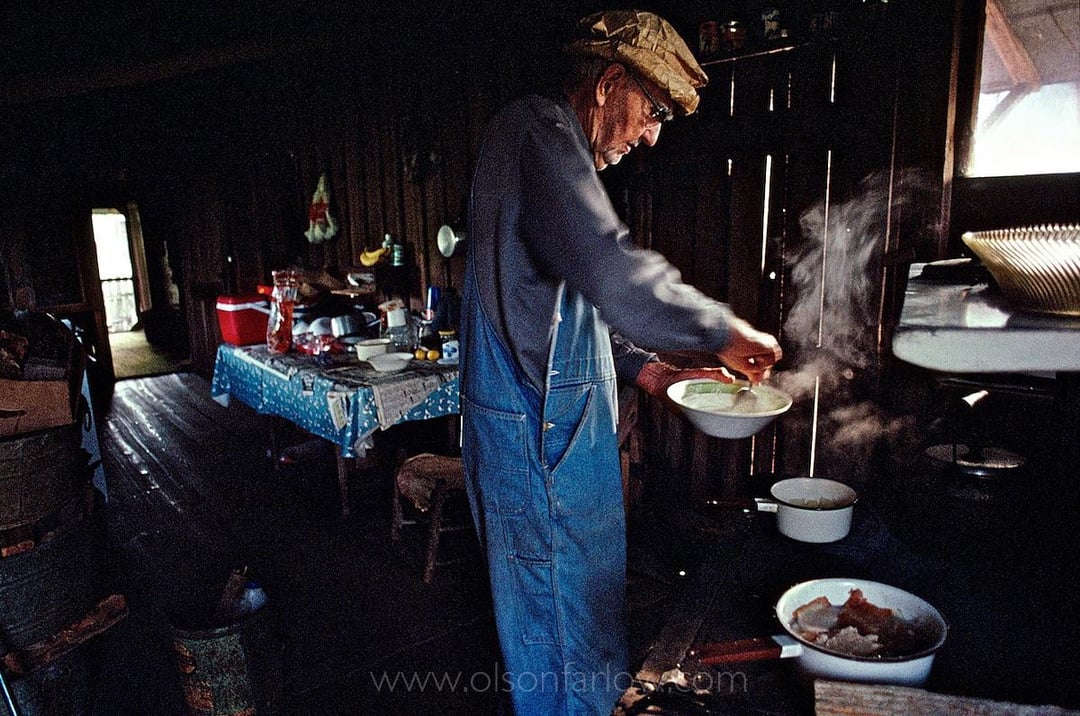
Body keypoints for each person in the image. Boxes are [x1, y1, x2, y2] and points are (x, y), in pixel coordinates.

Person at [460, 10, 782, 715]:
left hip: (563, 441)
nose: (651, 136)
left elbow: (577, 309)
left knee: (584, 624)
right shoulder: (537, 132)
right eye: (653, 111)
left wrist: (656, 374)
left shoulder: (554, 148)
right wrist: (720, 329)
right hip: (536, 441)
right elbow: (609, 270)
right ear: (609, 82)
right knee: (560, 645)